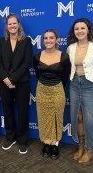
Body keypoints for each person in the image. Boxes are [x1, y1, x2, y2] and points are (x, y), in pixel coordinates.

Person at [66, 18, 93, 163]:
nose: (79, 31)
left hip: (91, 84)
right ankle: (81, 146)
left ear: (88, 29)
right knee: (78, 118)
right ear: (74, 31)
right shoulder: (70, 48)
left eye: (82, 28)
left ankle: (90, 149)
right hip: (74, 84)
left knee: (91, 119)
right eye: (77, 29)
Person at [0, 13, 33, 154]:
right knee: (8, 111)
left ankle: (23, 140)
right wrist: (5, 78)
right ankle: (10, 137)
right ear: (6, 26)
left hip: (22, 82)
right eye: (9, 24)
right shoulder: (1, 41)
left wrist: (13, 79)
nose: (12, 26)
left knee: (23, 112)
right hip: (4, 83)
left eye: (14, 23)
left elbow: (26, 63)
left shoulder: (26, 41)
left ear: (18, 25)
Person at [33, 29, 71, 159]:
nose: (48, 40)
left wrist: (56, 86)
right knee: (43, 117)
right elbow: (38, 74)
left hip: (57, 90)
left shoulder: (64, 56)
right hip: (41, 89)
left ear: (56, 40)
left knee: (56, 117)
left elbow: (65, 76)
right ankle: (46, 142)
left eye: (51, 38)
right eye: (46, 38)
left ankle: (55, 144)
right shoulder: (37, 56)